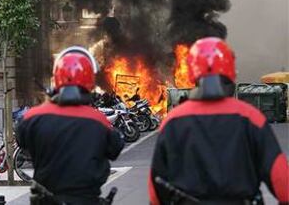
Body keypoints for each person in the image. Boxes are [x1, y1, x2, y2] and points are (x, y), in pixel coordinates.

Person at [149, 37, 289, 205]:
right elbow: (282, 182)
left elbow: (155, 190)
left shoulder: (172, 122)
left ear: (192, 71)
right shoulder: (251, 118)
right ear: (231, 69)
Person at [17, 46, 125, 204]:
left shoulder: (33, 117)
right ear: (89, 81)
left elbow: (22, 139)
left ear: (57, 79)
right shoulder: (98, 120)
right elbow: (115, 148)